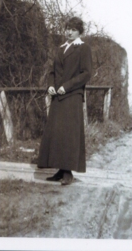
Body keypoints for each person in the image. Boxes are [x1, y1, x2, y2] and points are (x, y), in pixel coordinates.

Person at [37, 17, 93, 185]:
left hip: (72, 95)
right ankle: (61, 170)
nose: (69, 32)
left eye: (73, 29)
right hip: (58, 96)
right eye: (67, 28)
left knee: (69, 134)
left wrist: (66, 86)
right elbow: (52, 72)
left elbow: (86, 73)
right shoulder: (61, 49)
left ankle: (68, 172)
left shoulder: (83, 48)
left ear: (79, 32)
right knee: (57, 133)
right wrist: (50, 86)